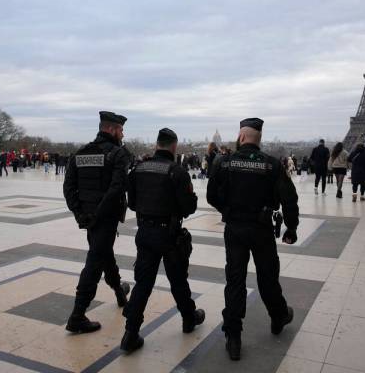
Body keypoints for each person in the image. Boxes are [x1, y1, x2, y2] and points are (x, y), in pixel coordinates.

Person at [207, 118, 299, 361]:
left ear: (242, 137)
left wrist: (228, 211)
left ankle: (234, 337)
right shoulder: (271, 165)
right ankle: (278, 316)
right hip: (261, 229)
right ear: (258, 138)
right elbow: (289, 198)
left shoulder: (224, 162)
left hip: (235, 228)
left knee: (235, 280)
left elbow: (211, 195)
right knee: (268, 277)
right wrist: (291, 227)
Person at [120, 128, 205, 352]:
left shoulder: (138, 169)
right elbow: (189, 207)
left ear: (157, 145)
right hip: (169, 234)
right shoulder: (177, 172)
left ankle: (130, 333)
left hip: (145, 232)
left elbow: (132, 203)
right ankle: (189, 318)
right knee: (177, 280)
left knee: (143, 283)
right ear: (174, 146)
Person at [63, 111, 133, 334]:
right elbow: (116, 189)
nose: (122, 134)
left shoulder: (80, 153)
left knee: (103, 254)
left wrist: (80, 214)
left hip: (89, 217)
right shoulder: (118, 154)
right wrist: (98, 216)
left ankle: (120, 294)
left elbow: (68, 188)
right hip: (104, 218)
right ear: (112, 129)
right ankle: (77, 314)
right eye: (121, 130)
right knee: (94, 261)